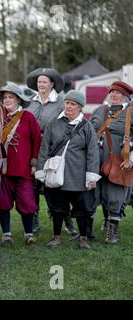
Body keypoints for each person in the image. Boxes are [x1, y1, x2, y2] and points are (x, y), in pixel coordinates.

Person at [36, 90, 100, 249]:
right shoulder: (53, 123)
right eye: (67, 103)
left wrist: (91, 176)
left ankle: (83, 238)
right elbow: (44, 148)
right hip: (56, 173)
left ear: (80, 107)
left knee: (82, 208)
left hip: (78, 175)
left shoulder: (87, 126)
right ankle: (56, 237)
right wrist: (41, 171)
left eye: (73, 104)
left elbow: (93, 152)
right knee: (57, 208)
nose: (69, 106)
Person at [26, 67, 77, 236]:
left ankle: (66, 220)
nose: (41, 84)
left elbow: (68, 123)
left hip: (54, 148)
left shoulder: (61, 102)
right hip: (32, 149)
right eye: (39, 82)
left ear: (52, 84)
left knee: (56, 186)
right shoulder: (30, 102)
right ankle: (34, 219)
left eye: (44, 82)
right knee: (33, 186)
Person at [0, 83, 41, 246]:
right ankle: (6, 235)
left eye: (10, 97)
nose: (7, 100)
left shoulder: (28, 117)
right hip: (3, 169)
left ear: (18, 99)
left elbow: (37, 141)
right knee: (3, 202)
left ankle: (29, 234)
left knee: (28, 203)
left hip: (23, 169)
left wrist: (34, 162)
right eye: (5, 97)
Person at [90, 81, 133, 244]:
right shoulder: (100, 110)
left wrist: (131, 158)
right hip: (96, 159)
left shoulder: (131, 111)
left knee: (115, 194)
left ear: (126, 95)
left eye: (118, 92)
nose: (114, 95)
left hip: (119, 160)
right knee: (92, 193)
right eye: (112, 92)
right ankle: (87, 228)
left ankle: (112, 229)